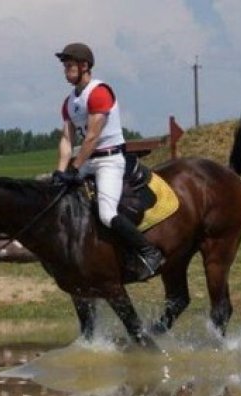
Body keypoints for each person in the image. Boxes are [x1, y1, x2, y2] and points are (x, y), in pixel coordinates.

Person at [53, 42, 164, 281]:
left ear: (84, 66)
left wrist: (74, 167)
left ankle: (148, 252)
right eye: (65, 66)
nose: (66, 70)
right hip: (86, 162)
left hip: (109, 160)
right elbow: (66, 138)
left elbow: (92, 136)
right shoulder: (69, 102)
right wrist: (59, 172)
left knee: (105, 213)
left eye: (70, 65)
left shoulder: (100, 92)